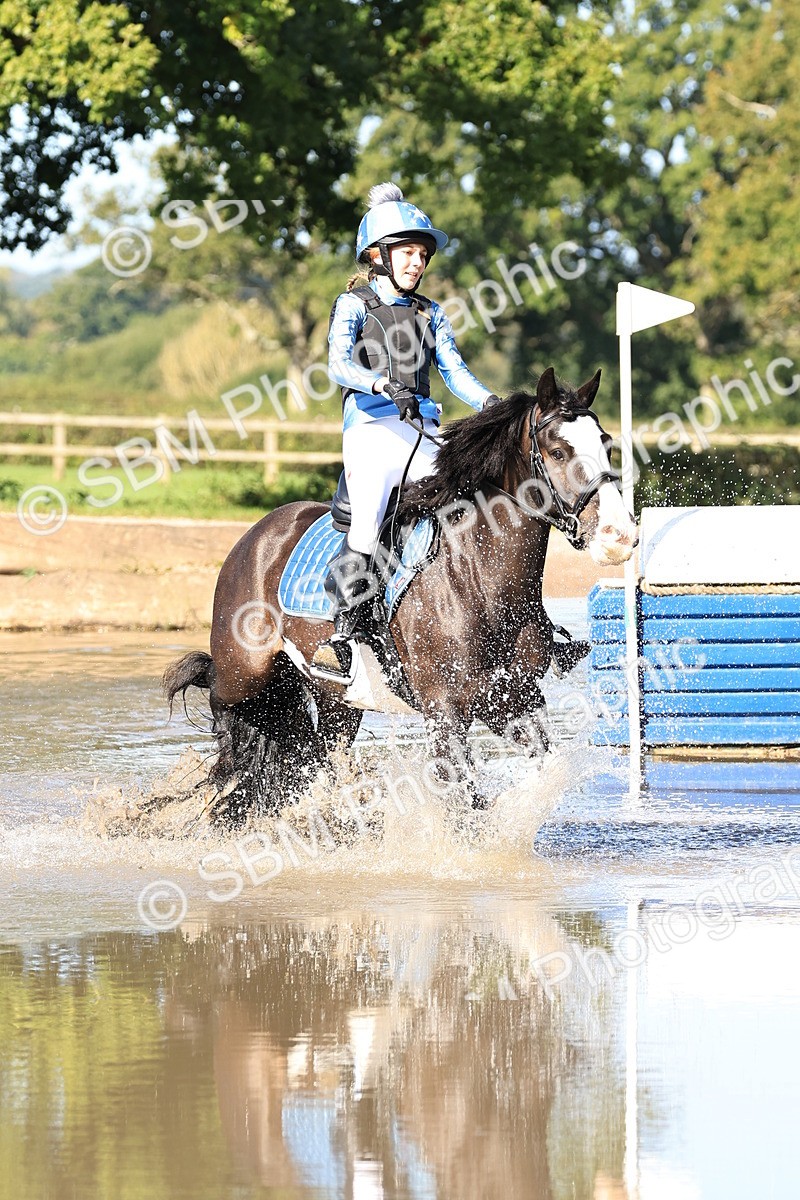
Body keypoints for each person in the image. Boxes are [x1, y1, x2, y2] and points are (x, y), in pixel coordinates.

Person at [312, 182, 500, 675]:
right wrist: (379, 384)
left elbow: (455, 372)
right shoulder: (353, 304)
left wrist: (491, 403)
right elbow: (337, 365)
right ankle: (342, 634)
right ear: (378, 255)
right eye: (408, 252)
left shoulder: (431, 313)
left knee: (476, 500)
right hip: (371, 430)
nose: (418, 262)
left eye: (423, 254)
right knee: (371, 519)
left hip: (422, 430)